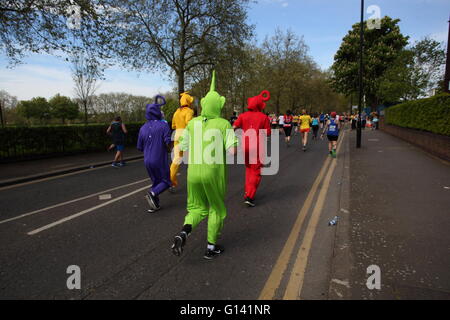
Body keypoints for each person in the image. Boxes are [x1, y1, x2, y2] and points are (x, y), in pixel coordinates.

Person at [171, 71, 238, 260]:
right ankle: (211, 247)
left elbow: (181, 146)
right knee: (216, 209)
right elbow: (233, 151)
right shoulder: (224, 124)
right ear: (218, 106)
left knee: (196, 209)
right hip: (213, 173)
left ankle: (184, 232)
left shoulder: (193, 123)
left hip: (193, 173)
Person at [233, 91, 271, 207]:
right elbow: (268, 132)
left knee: (249, 169)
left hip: (245, 146)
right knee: (256, 171)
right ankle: (250, 196)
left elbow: (233, 127)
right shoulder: (263, 117)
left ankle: (247, 192)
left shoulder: (242, 116)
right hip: (257, 147)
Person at [137, 96, 172, 212]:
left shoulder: (142, 128)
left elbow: (139, 147)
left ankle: (154, 205)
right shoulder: (164, 125)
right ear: (158, 113)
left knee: (156, 181)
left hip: (147, 160)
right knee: (166, 181)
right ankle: (152, 193)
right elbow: (168, 143)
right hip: (159, 159)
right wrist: (169, 150)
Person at [170, 92, 194, 192]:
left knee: (176, 160)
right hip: (186, 137)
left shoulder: (176, 112)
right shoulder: (189, 111)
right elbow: (189, 124)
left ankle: (171, 181)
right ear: (188, 102)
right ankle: (194, 181)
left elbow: (173, 126)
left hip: (177, 136)